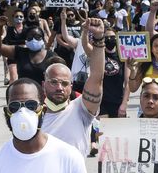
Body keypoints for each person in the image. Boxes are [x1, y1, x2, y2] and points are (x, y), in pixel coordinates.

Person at [38, 18, 109, 156]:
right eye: (54, 82)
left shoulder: (81, 109)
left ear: (71, 86)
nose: (59, 87)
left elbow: (96, 77)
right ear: (43, 84)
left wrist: (99, 38)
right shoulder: (33, 115)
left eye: (64, 83)